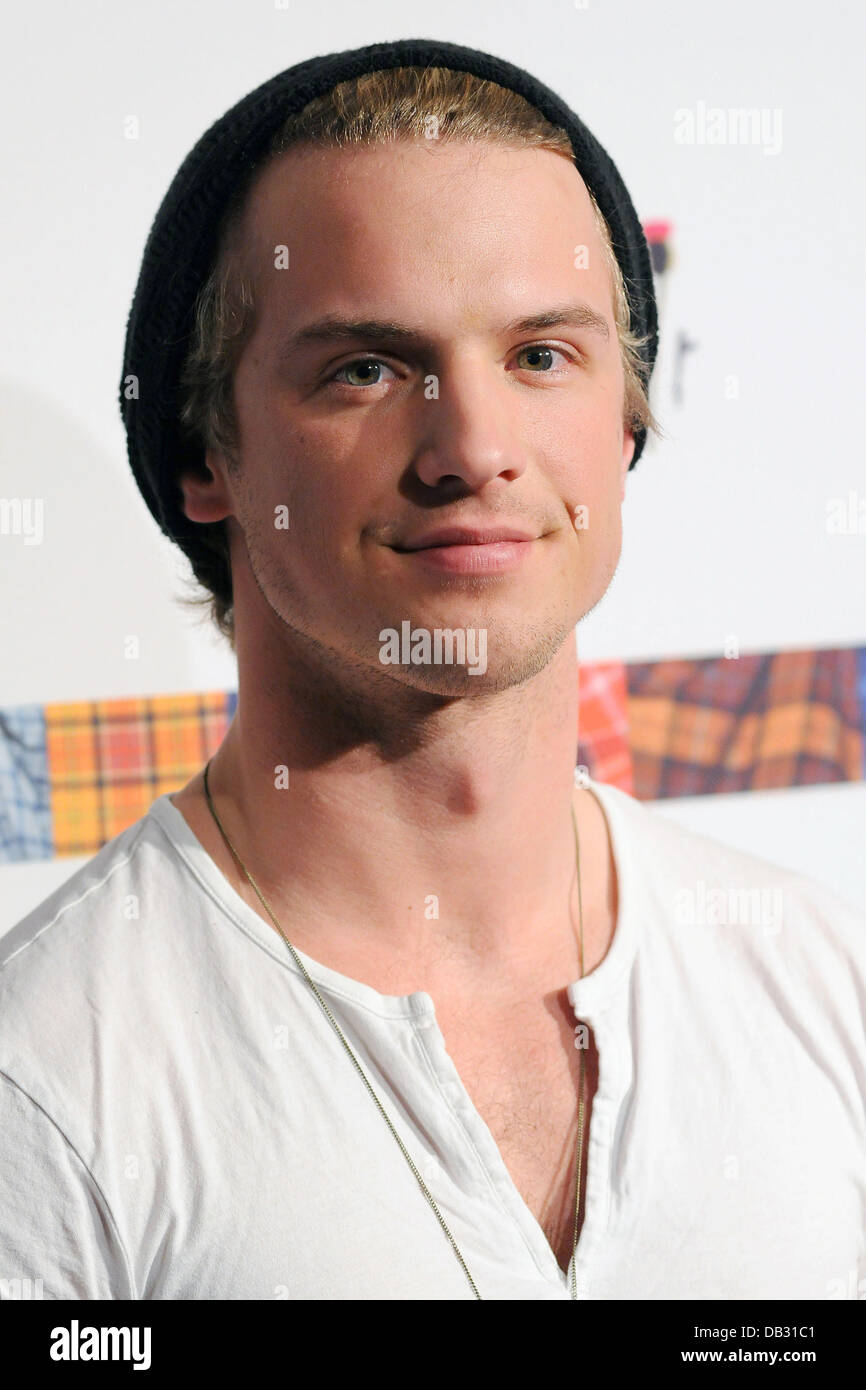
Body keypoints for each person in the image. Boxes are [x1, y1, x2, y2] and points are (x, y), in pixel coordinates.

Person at [1, 39, 863, 1303]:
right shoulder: (49, 1083)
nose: (470, 447)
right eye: (365, 368)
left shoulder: (817, 976)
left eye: (538, 356)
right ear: (205, 455)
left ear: (624, 420)